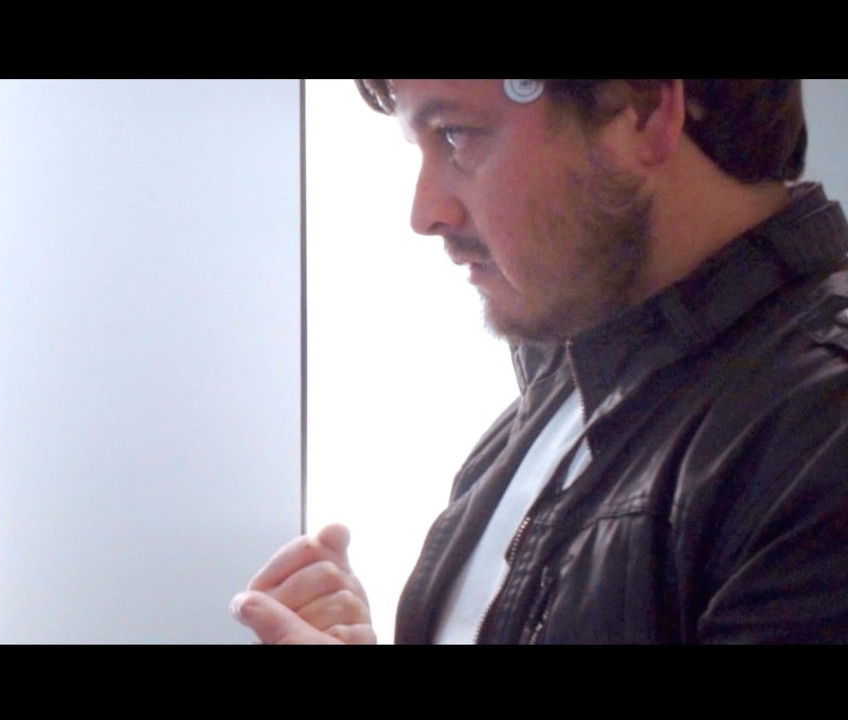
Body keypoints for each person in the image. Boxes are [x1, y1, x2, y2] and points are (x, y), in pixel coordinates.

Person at [231, 79, 848, 643]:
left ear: (643, 110)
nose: (426, 213)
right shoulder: (566, 390)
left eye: (456, 135)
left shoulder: (822, 431)